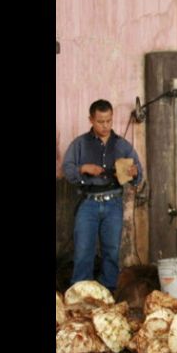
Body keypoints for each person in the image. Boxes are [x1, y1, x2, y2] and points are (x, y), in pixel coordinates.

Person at [62, 99, 143, 293]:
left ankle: (108, 292)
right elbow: (67, 169)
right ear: (91, 119)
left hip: (114, 203)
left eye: (109, 121)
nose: (105, 125)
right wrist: (84, 168)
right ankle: (80, 294)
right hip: (88, 203)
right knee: (83, 251)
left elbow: (139, 175)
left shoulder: (122, 145)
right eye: (100, 121)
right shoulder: (80, 144)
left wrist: (133, 173)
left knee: (111, 251)